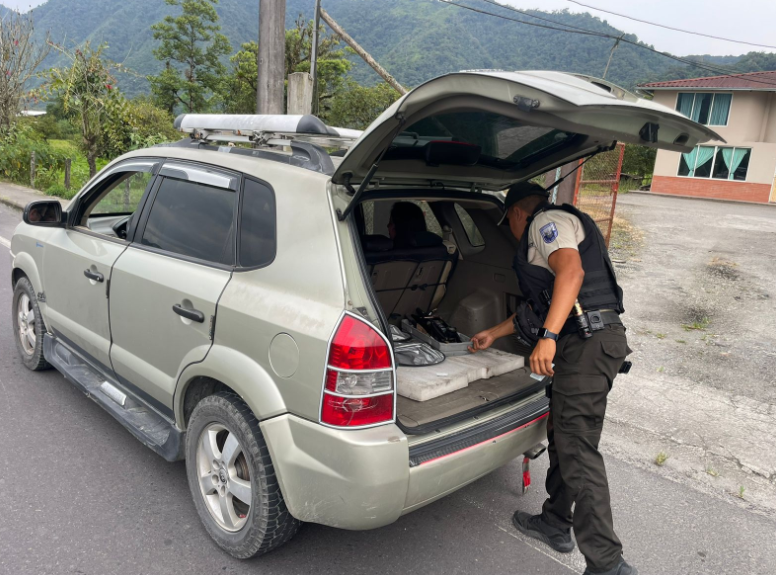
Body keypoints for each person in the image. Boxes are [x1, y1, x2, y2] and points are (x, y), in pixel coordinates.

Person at [469, 182, 636, 575]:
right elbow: (540, 305)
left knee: (577, 448)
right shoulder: (543, 235)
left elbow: (572, 273)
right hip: (586, 343)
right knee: (564, 437)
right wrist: (493, 333)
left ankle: (607, 564)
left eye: (507, 224)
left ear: (514, 214)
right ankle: (555, 522)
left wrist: (548, 338)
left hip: (588, 343)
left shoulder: (548, 222)